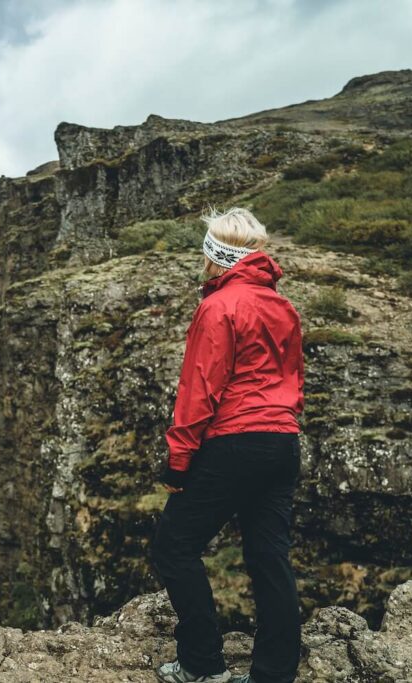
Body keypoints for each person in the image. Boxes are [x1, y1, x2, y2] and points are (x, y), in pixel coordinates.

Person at [151, 207, 304, 683]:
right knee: (269, 558)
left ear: (216, 258)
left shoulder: (218, 306)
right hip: (282, 441)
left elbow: (199, 389)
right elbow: (293, 377)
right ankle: (274, 674)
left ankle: (201, 665)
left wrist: (178, 462)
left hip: (235, 440)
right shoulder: (282, 307)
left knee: (172, 547)